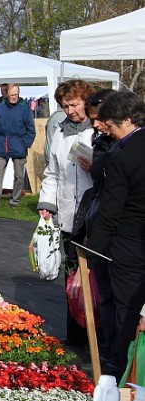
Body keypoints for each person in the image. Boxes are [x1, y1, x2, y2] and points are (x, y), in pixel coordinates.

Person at [88, 90, 145, 381]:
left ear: (125, 120)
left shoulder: (122, 157)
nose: (106, 129)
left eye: (109, 124)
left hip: (129, 241)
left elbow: (111, 210)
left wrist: (92, 251)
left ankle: (120, 368)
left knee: (127, 308)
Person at [37, 79, 95, 348]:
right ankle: (76, 334)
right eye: (65, 106)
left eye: (74, 104)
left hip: (93, 213)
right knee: (71, 275)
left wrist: (93, 166)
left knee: (93, 275)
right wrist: (47, 204)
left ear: (85, 101)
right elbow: (53, 172)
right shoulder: (59, 132)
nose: (70, 110)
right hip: (67, 213)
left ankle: (97, 333)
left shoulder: (97, 131)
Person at [73, 89, 118, 374]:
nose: (95, 125)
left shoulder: (122, 147)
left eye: (98, 119)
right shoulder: (102, 141)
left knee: (116, 295)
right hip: (99, 217)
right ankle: (109, 350)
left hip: (115, 227)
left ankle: (114, 354)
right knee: (106, 293)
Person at [0, 84, 35, 208]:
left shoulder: (24, 108)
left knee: (19, 176)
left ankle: (15, 199)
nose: (14, 97)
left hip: (18, 145)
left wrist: (25, 144)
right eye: (12, 95)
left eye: (16, 95)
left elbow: (31, 129)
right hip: (1, 144)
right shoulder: (0, 107)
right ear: (7, 94)